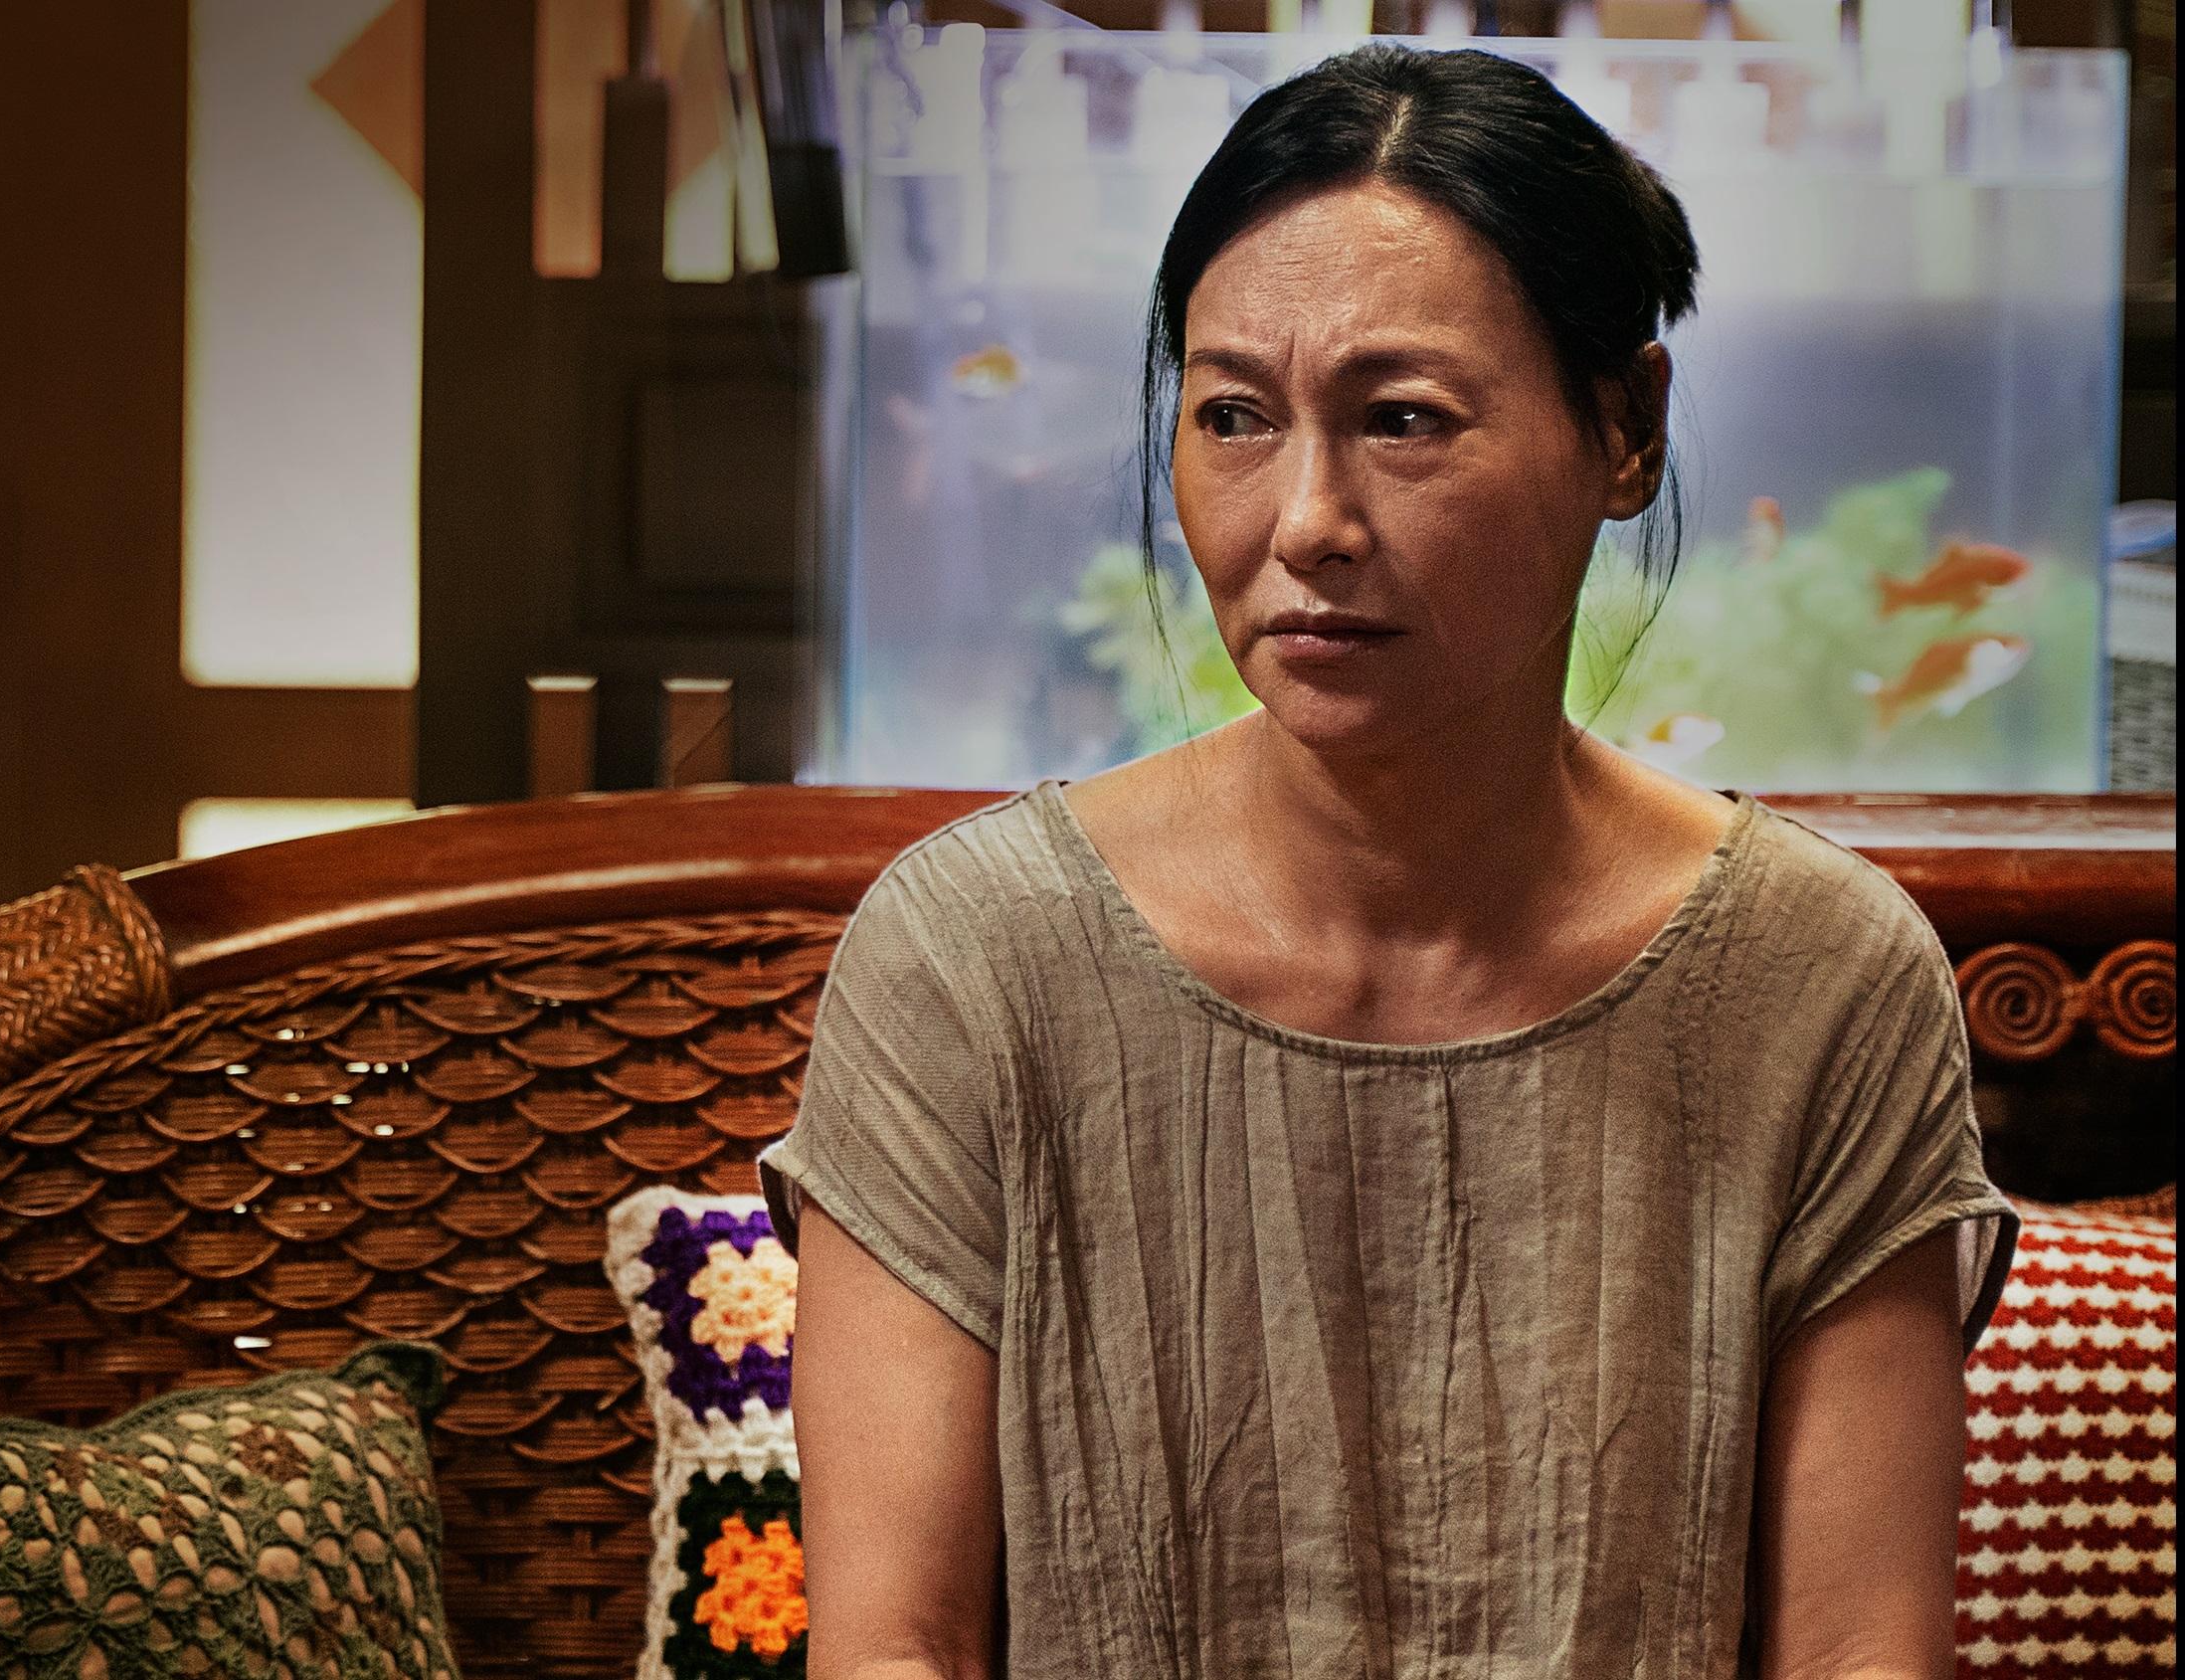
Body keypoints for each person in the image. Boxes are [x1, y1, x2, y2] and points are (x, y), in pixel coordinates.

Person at [758, 42, 2018, 1679]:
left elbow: (1858, 1650)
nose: (1306, 522)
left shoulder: (1819, 981)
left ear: (1625, 431)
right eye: (1233, 417)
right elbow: (892, 1648)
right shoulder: (971, 959)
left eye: (1403, 420)